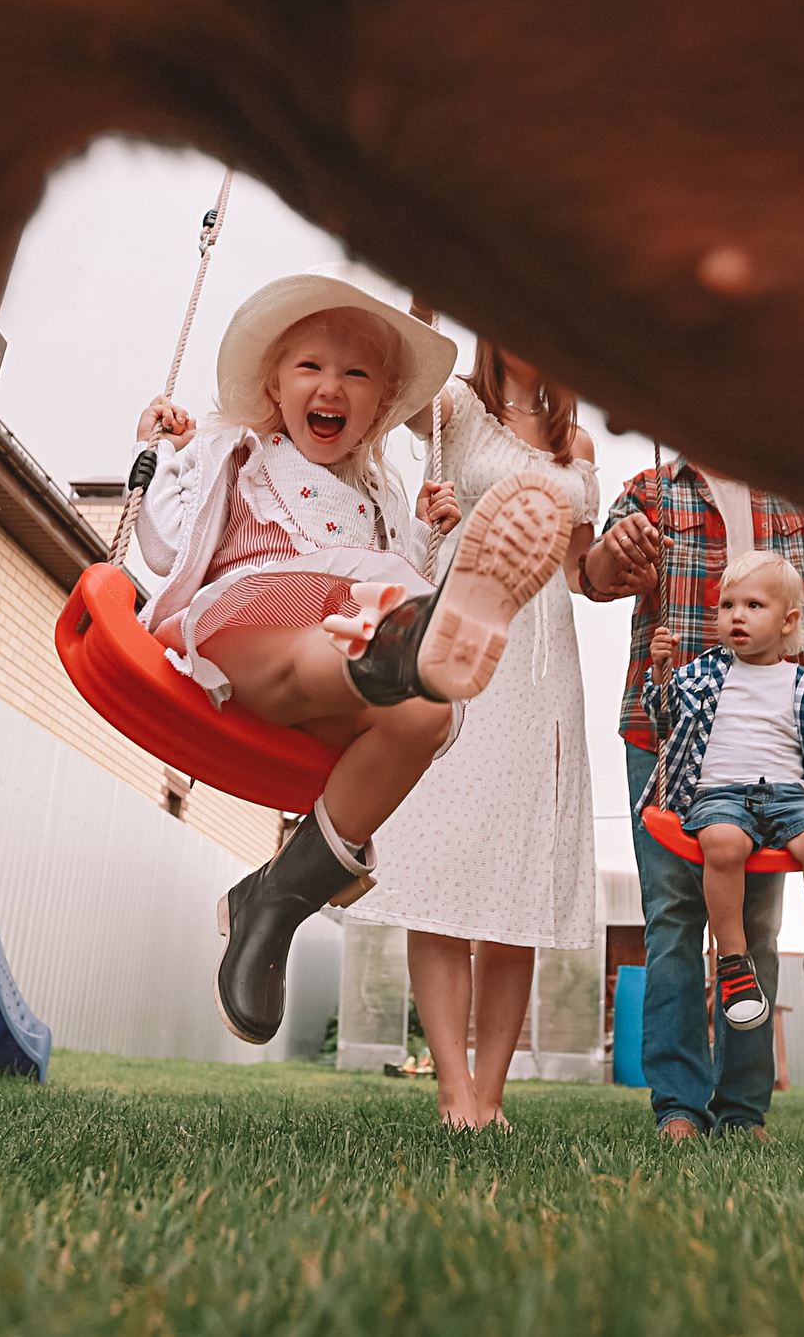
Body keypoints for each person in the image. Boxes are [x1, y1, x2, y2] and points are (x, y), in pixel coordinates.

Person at [133, 271, 570, 1045]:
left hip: (341, 679)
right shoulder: (236, 452)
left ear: (382, 401)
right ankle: (400, 651)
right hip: (250, 645)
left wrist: (433, 544)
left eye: (356, 373)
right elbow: (164, 541)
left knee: (429, 710)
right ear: (274, 381)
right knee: (330, 642)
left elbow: (388, 581)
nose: (331, 385)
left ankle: (274, 902)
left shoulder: (381, 499)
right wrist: (162, 451)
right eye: (310, 366)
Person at [579, 459, 804, 1140]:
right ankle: (680, 1104)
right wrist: (611, 551)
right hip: (666, 731)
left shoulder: (794, 494)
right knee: (674, 915)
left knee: (759, 921)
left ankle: (743, 1109)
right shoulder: (651, 491)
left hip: (778, 745)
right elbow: (596, 577)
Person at [348, 342, 602, 1129]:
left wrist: (628, 560)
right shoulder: (454, 406)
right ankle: (453, 1089)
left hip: (541, 659)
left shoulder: (577, 445)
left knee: (517, 880)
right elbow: (395, 391)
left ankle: (490, 1096)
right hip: (458, 636)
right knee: (450, 863)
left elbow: (580, 573)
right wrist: (422, 299)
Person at [641, 552, 804, 1037]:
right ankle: (733, 963)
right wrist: (660, 675)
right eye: (727, 606)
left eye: (752, 605)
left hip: (791, 795)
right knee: (722, 843)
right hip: (719, 794)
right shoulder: (702, 674)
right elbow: (661, 718)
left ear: (788, 622)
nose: (736, 616)